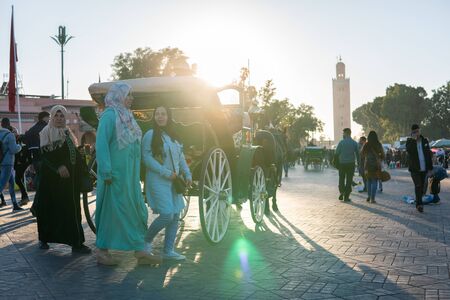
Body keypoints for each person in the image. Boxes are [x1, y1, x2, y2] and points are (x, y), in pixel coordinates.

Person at [95, 82, 160, 266]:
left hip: (129, 175)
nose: (131, 98)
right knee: (113, 210)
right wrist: (106, 170)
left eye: (131, 95)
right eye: (128, 95)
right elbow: (101, 144)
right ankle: (102, 250)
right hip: (114, 175)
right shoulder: (109, 116)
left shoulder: (128, 116)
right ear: (119, 95)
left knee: (134, 208)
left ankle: (140, 249)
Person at [35, 105, 91, 253]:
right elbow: (45, 156)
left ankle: (76, 242)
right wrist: (58, 167)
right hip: (52, 182)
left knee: (72, 210)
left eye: (62, 116)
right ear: (52, 117)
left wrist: (84, 169)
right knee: (49, 209)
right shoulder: (46, 133)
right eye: (56, 116)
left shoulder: (67, 133)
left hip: (70, 181)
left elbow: (74, 154)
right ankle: (44, 239)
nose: (59, 119)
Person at [142, 105, 192, 261]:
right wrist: (166, 173)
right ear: (154, 117)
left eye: (163, 114)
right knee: (167, 214)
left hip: (174, 180)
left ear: (168, 116)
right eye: (157, 114)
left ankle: (168, 250)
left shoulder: (173, 137)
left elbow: (181, 158)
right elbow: (147, 158)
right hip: (158, 180)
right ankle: (145, 243)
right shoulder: (150, 135)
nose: (160, 116)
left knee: (176, 214)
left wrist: (187, 173)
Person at [25, 111, 50, 216]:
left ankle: (37, 207)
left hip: (35, 160)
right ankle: (36, 207)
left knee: (42, 183)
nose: (49, 119)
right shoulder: (46, 128)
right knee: (43, 184)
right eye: (49, 117)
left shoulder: (31, 130)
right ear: (44, 118)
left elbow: (27, 144)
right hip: (44, 159)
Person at [406, 124, 433, 213]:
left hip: (424, 168)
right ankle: (419, 205)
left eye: (417, 131)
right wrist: (413, 140)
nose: (416, 133)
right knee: (418, 185)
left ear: (419, 131)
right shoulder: (409, 141)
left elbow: (429, 155)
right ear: (411, 133)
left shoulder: (425, 140)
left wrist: (430, 169)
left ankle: (419, 201)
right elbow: (410, 151)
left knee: (422, 187)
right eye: (414, 132)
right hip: (414, 169)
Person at [0, 118, 22, 211]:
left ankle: (15, 204)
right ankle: (15, 205)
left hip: (0, 162)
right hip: (7, 163)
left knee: (11, 183)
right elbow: (14, 149)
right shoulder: (10, 135)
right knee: (1, 184)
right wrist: (20, 146)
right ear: (9, 124)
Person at [335, 128, 359, 202]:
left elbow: (336, 153)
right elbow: (358, 154)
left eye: (343, 133)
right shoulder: (354, 143)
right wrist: (359, 163)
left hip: (342, 164)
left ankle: (342, 191)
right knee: (349, 180)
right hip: (351, 164)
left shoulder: (341, 142)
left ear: (346, 133)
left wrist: (336, 162)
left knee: (341, 178)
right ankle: (346, 196)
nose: (343, 135)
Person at [361, 131, 385, 203]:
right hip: (376, 165)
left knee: (368, 180)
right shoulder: (378, 144)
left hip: (367, 165)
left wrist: (367, 156)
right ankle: (372, 198)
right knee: (374, 181)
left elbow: (362, 153)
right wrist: (379, 157)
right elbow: (383, 155)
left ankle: (369, 196)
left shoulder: (366, 144)